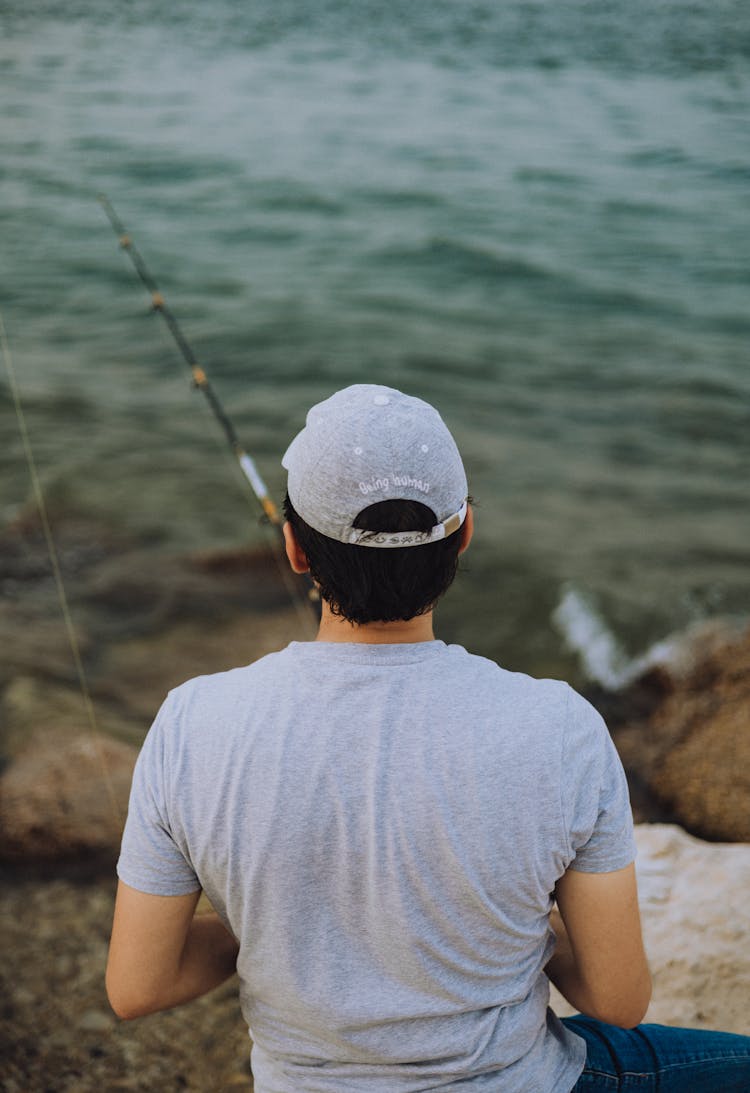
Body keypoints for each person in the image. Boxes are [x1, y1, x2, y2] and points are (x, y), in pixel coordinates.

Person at [107, 385, 750, 1091]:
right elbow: (618, 999)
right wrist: (513, 934)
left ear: (293, 546)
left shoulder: (190, 722)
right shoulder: (560, 726)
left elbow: (138, 985)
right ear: (465, 532)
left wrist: (267, 926)